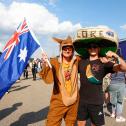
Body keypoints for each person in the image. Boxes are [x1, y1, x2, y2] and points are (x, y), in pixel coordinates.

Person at [73, 27, 126, 126]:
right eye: (90, 47)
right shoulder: (81, 61)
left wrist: (116, 56)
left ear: (99, 48)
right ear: (87, 49)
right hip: (82, 100)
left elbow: (124, 68)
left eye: (95, 46)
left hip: (96, 101)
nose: (92, 48)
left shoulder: (104, 63)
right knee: (80, 123)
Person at [39, 36, 80, 126]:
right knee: (52, 123)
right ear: (61, 49)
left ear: (73, 50)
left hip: (74, 100)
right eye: (65, 48)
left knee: (71, 123)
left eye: (70, 48)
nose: (67, 50)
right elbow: (48, 80)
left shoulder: (77, 60)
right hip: (59, 100)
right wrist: (45, 64)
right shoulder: (54, 62)